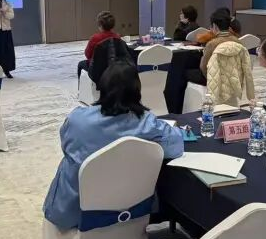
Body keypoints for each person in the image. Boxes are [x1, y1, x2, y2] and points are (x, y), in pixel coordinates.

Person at [42, 62, 185, 230]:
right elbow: (176, 146)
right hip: (131, 210)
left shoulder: (77, 120)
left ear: (102, 87)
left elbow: (67, 147)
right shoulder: (147, 124)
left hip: (74, 211)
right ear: (137, 90)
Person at [189, 8, 238, 85]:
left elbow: (203, 67)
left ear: (214, 26)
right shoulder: (238, 41)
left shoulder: (212, 44)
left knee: (183, 72)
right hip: (232, 78)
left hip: (215, 80)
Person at [79, 11, 121, 79]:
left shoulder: (94, 38)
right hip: (113, 67)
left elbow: (88, 55)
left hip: (97, 70)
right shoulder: (117, 37)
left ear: (100, 25)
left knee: (80, 64)